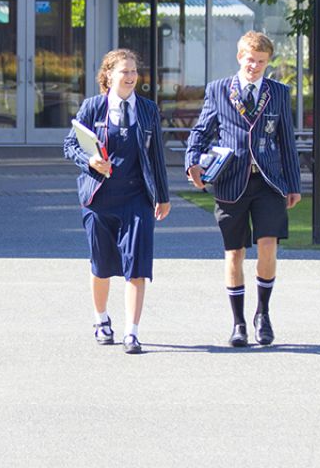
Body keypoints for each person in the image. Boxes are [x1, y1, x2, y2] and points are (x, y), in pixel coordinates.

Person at [185, 31, 302, 347]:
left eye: (261, 62)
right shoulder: (219, 90)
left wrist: (294, 183)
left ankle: (263, 314)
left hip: (268, 181)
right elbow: (201, 131)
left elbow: (286, 142)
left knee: (268, 245)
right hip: (231, 180)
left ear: (268, 62)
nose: (255, 66)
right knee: (234, 252)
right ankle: (238, 323)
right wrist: (192, 161)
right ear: (240, 57)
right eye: (250, 60)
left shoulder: (278, 92)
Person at [64, 49, 171, 354]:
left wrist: (162, 196)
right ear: (108, 75)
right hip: (98, 198)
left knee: (136, 265)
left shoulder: (148, 110)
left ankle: (132, 332)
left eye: (134, 71)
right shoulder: (93, 107)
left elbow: (156, 157)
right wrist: (90, 161)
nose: (131, 77)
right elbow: (70, 144)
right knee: (101, 265)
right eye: (124, 71)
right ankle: (100, 319)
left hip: (137, 196)